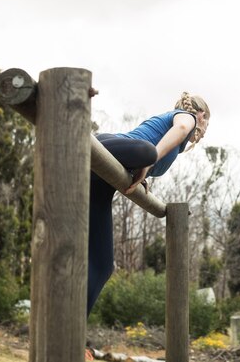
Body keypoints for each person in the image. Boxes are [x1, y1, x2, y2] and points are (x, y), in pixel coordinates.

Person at [87, 92, 210, 315]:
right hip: (106, 147)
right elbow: (180, 130)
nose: (204, 129)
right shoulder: (187, 118)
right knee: (145, 151)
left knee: (102, 266)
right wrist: (148, 162)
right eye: (207, 122)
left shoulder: (173, 141)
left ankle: (74, 338)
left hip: (102, 180)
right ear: (201, 115)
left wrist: (142, 175)